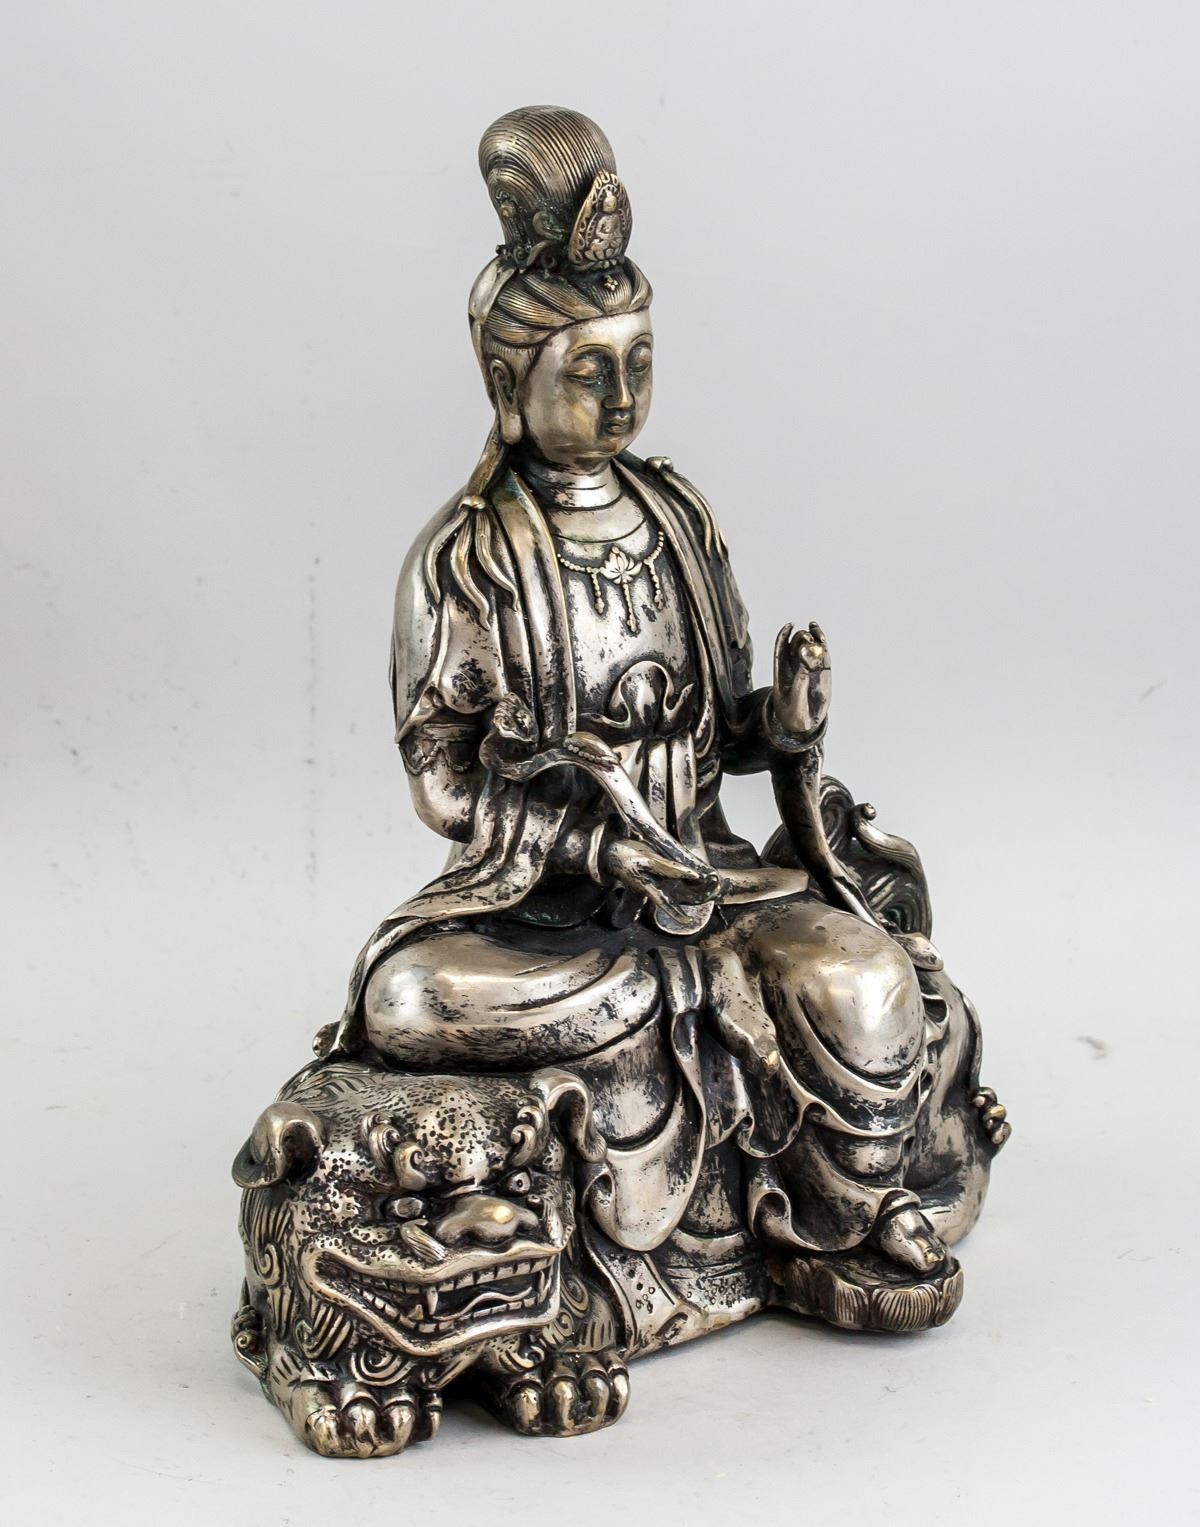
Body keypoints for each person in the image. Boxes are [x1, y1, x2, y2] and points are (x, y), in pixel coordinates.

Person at [321, 106, 1006, 1338]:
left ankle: (845, 1216)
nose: (623, 392)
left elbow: (717, 734)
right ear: (508, 384)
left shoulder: (678, 519)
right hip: (549, 911)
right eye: (587, 369)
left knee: (865, 980)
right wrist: (597, 853)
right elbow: (443, 783)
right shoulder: (467, 560)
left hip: (708, 876)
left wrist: (781, 726)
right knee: (415, 1002)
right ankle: (684, 1191)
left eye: (638, 359)